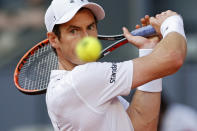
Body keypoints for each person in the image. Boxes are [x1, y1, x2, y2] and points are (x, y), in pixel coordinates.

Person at [44, 0, 187, 130]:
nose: (86, 39)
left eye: (90, 27)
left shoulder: (71, 86)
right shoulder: (79, 80)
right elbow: (173, 57)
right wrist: (172, 21)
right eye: (73, 31)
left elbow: (142, 125)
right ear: (53, 39)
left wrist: (147, 50)